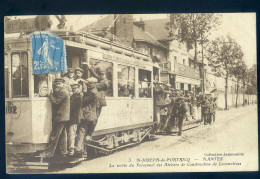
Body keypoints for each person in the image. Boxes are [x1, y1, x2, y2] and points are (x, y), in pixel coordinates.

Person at [39, 78, 70, 159]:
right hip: (64, 117)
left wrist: (50, 95)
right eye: (57, 83)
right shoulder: (64, 90)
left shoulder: (63, 92)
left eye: (59, 83)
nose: (58, 85)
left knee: (54, 135)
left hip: (60, 117)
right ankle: (64, 152)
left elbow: (56, 102)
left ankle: (49, 153)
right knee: (63, 135)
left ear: (63, 84)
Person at [75, 79, 98, 159]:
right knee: (83, 131)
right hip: (90, 115)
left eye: (88, 84)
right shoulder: (94, 90)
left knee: (82, 130)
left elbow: (83, 101)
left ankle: (79, 150)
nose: (87, 86)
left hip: (88, 115)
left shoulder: (92, 92)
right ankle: (82, 151)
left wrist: (81, 94)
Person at [67, 83, 82, 156]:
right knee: (71, 134)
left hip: (74, 118)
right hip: (72, 118)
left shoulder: (77, 97)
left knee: (71, 134)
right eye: (73, 89)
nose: (73, 90)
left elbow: (71, 106)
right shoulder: (74, 96)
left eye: (75, 89)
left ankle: (71, 150)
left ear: (78, 89)